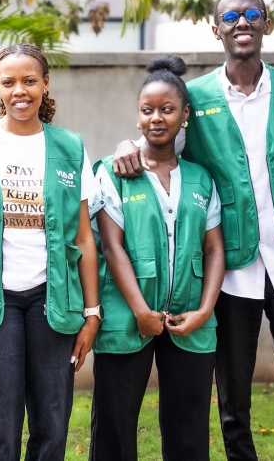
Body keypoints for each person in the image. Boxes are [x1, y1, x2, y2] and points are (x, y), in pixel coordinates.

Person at [114, 0, 274, 461]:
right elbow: (159, 144)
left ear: (267, 24)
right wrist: (125, 148)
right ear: (215, 28)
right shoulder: (194, 97)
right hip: (233, 274)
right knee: (233, 399)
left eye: (253, 14)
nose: (243, 22)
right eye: (232, 16)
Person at [0, 44, 101, 461]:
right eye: (9, 82)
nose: (20, 91)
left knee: (52, 420)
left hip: (54, 297)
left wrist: (92, 313)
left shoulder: (70, 147)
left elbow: (83, 237)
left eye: (30, 81)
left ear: (45, 85)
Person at [89, 55, 225, 461]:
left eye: (167, 110)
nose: (156, 118)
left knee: (189, 432)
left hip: (190, 320)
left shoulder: (201, 178)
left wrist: (204, 311)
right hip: (127, 318)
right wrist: (141, 311)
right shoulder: (113, 173)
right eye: (147, 110)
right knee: (113, 430)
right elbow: (111, 246)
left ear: (185, 115)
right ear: (137, 117)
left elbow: (214, 247)